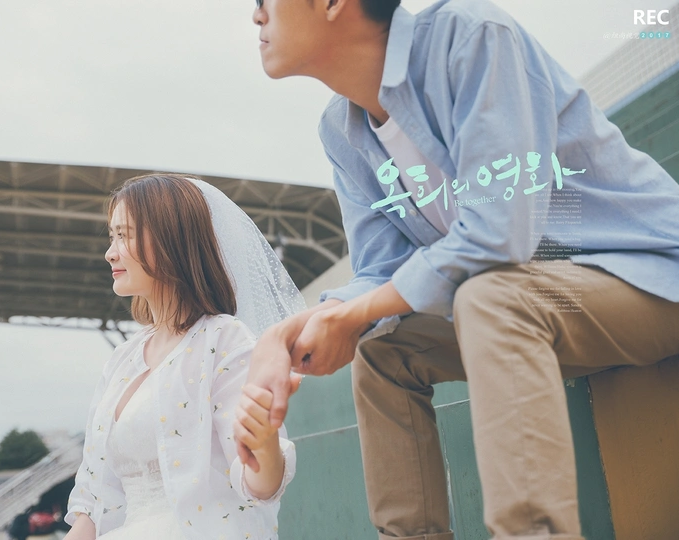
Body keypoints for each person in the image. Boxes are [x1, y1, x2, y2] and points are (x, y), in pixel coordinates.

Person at [243, 0, 679, 539]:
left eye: (263, 1)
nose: (256, 15)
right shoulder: (342, 129)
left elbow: (500, 234)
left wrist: (354, 313)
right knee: (384, 347)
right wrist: (287, 332)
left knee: (488, 295)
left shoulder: (470, 37)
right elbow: (383, 273)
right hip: (543, 307)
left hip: (649, 279)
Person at [63, 174, 305, 539]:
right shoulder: (122, 360)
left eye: (124, 235)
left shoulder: (224, 340)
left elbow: (258, 484)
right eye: (112, 236)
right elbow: (93, 505)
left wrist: (264, 444)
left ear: (169, 239)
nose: (110, 252)